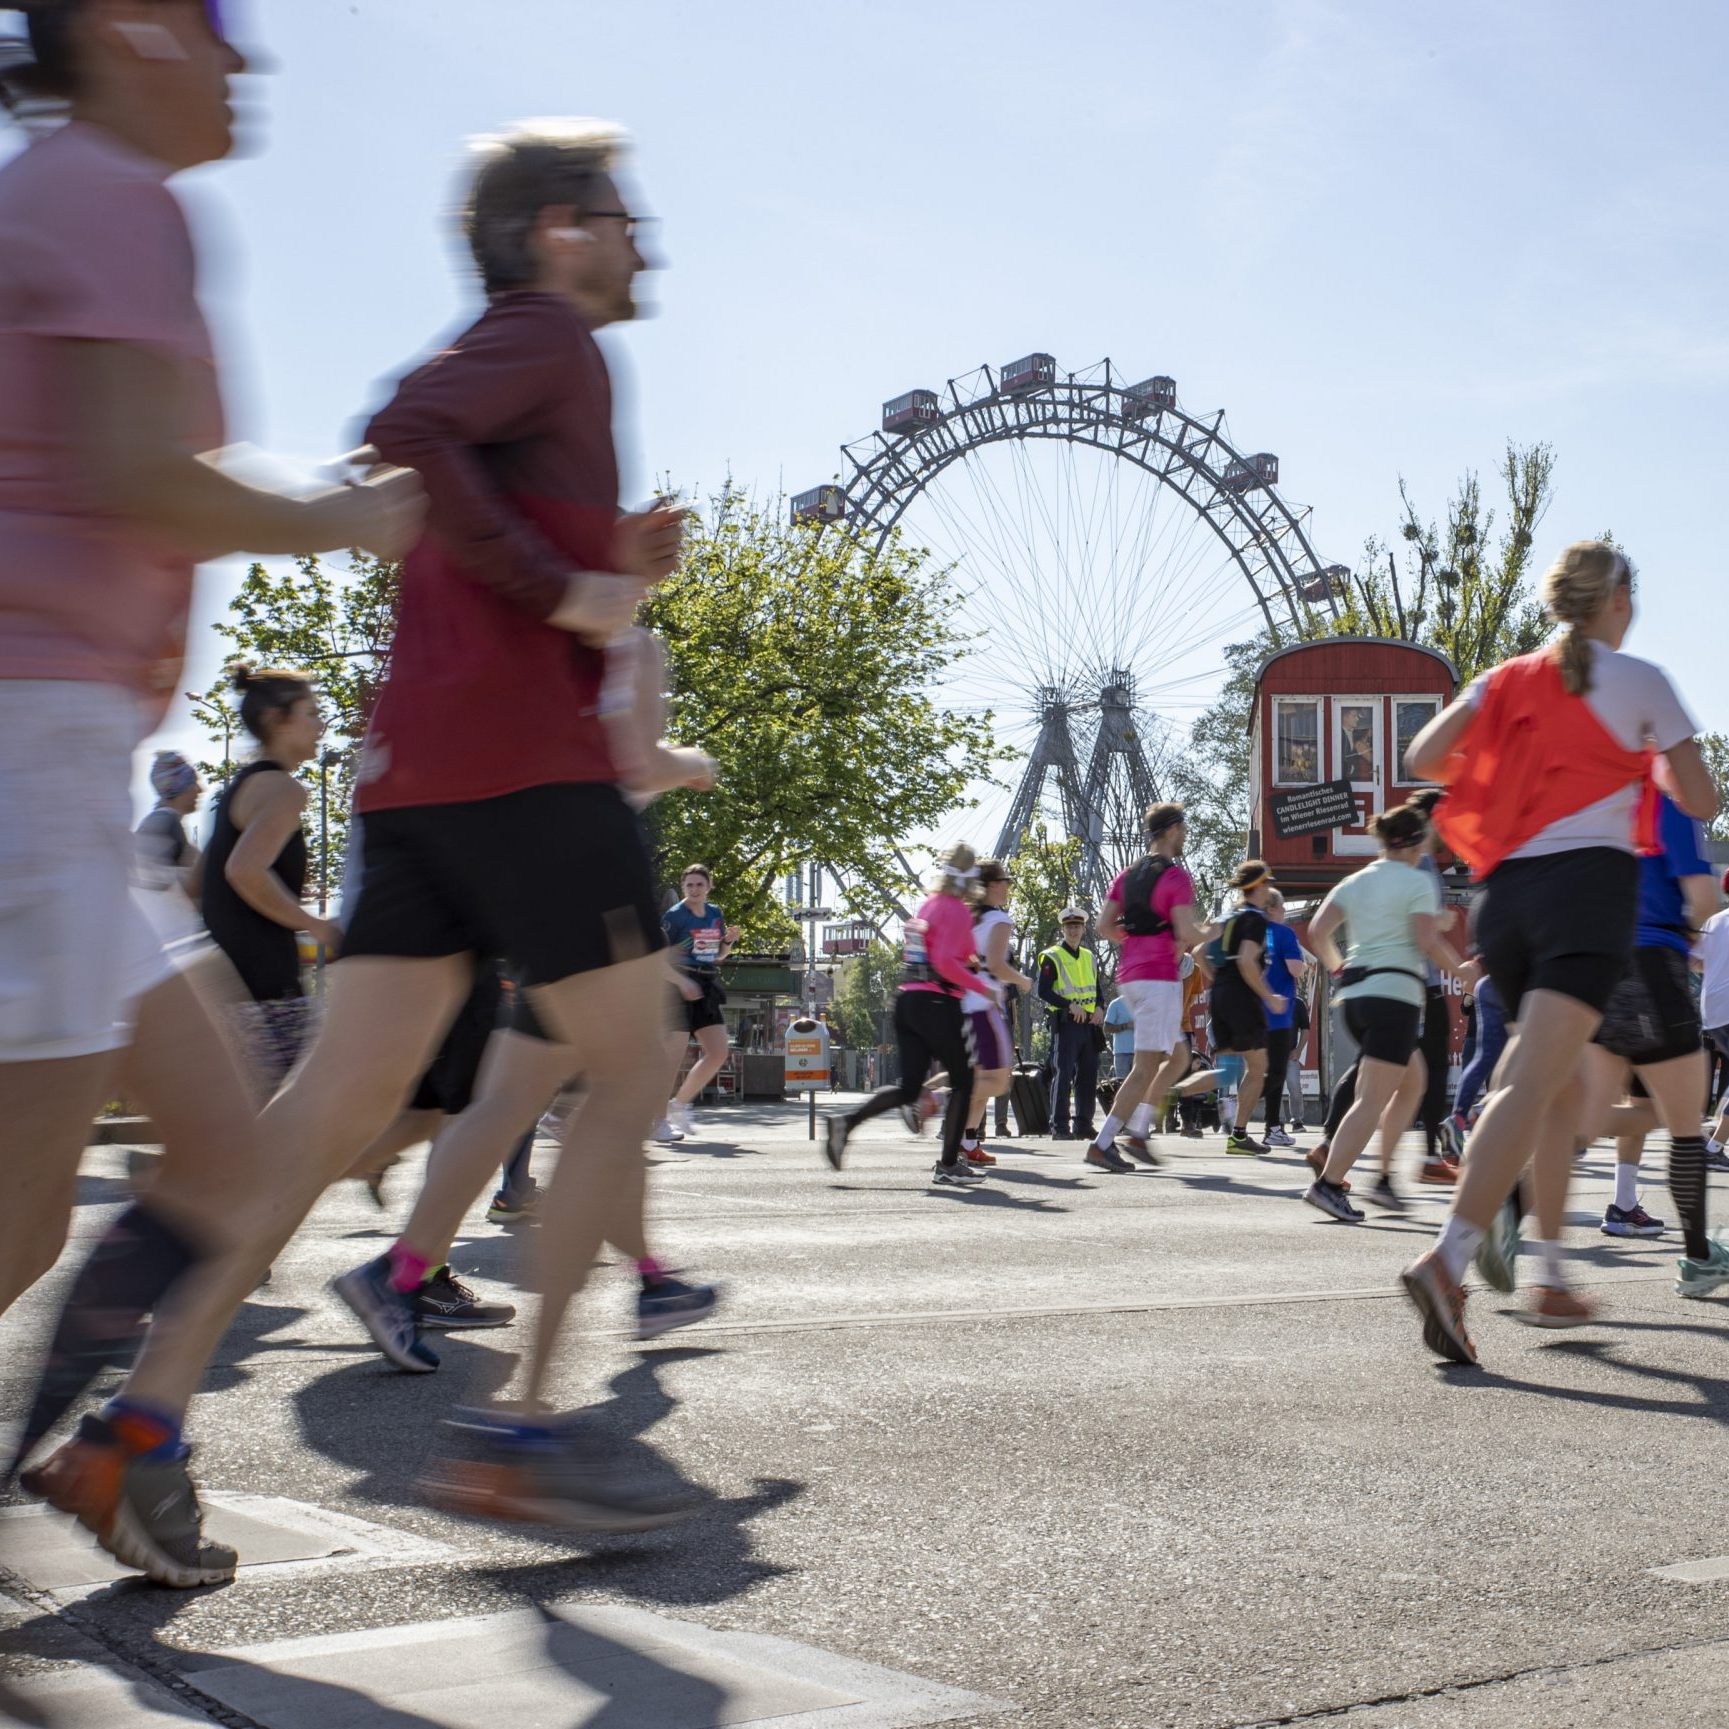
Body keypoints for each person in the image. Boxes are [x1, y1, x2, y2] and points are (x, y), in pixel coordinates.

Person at [24, 116, 696, 1557]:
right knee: (639, 1064)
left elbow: (442, 470)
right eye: (621, 213)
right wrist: (559, 593)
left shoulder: (536, 358)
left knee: (324, 1116)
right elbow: (406, 426)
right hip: (530, 772)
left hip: (414, 785)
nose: (645, 238)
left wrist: (600, 568)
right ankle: (522, 1428)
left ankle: (139, 1428)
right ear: (559, 230)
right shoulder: (553, 337)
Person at [1, 0, 418, 1585]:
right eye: (216, 27)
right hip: (25, 740)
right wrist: (353, 508)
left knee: (225, 1158)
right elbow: (136, 470)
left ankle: (118, 1458)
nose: (248, 59)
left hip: (61, 762)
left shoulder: (84, 187)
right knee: (16, 1222)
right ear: (127, 30)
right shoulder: (108, 189)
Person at [1399, 541, 1716, 1363]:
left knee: (1555, 1082)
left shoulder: (1504, 678)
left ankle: (1547, 1273)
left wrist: (1516, 758)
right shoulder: (1640, 679)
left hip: (1505, 896)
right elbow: (1703, 797)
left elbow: (1422, 759)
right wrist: (1644, 756)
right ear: (1620, 599)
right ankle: (1448, 1258)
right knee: (1531, 1081)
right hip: (1588, 893)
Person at [1301, 803, 1474, 1221]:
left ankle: (1382, 1178)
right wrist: (1463, 972)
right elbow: (1425, 940)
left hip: (1357, 997)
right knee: (1370, 1100)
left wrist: (1338, 965)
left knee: (1412, 1082)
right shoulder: (1416, 882)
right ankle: (1328, 1184)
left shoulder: (1355, 881)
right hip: (1394, 996)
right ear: (1417, 842)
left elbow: (1318, 931)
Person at [1575, 791, 1719, 1253]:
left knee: (1602, 1111)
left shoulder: (1591, 806)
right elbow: (1704, 899)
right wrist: (1693, 934)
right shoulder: (1671, 805)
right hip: (1652, 965)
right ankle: (1699, 1257)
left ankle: (1508, 1216)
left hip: (1597, 966)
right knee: (1684, 1121)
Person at [200, 664, 341, 1091]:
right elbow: (243, 870)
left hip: (225, 993)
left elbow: (195, 884)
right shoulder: (284, 789)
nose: (321, 724)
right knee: (303, 1126)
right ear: (274, 721)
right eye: (311, 713)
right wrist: (315, 924)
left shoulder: (235, 792)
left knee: (245, 1135)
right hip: (268, 995)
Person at [825, 846, 983, 1185]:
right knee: (964, 1081)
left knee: (911, 1088)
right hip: (938, 1002)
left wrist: (965, 959)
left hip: (907, 999)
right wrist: (985, 987)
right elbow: (943, 963)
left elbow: (935, 951)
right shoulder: (957, 909)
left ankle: (846, 1123)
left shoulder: (930, 903)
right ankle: (949, 1164)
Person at [1091, 801, 1203, 1172]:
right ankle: (1104, 1142)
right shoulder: (1175, 877)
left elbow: (1104, 927)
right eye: (1183, 828)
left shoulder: (1126, 875)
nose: (1185, 834)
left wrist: (1134, 941)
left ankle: (1139, 1132)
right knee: (1145, 1067)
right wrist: (1215, 931)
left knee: (1180, 1056)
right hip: (1158, 978)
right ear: (1171, 829)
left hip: (1132, 977)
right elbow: (1188, 932)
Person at [1199, 862, 1287, 1155]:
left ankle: (1173, 1092)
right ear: (1259, 886)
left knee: (1228, 1067)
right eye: (1267, 884)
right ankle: (1238, 1135)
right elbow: (1247, 961)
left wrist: (1218, 980)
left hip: (1221, 994)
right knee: (1259, 1066)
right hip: (1242, 997)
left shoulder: (1226, 916)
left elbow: (1198, 952)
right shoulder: (1255, 919)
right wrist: (1269, 996)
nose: (1269, 889)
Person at [958, 858, 1032, 1165]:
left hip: (963, 1002)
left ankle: (967, 1141)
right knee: (998, 1081)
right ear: (991, 886)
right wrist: (1023, 979)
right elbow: (998, 966)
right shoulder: (999, 920)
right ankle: (936, 1104)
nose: (1007, 886)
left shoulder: (968, 918)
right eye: (1004, 881)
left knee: (983, 1079)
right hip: (983, 1004)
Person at [659, 863, 739, 1141]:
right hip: (676, 985)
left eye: (699, 884)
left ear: (709, 886)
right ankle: (656, 1121)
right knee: (672, 1058)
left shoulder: (715, 913)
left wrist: (728, 941)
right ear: (683, 887)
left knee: (718, 1052)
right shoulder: (675, 916)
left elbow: (717, 955)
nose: (694, 889)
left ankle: (679, 1105)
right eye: (689, 885)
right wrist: (682, 983)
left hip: (705, 983)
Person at [1037, 907, 1103, 1144]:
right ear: (1063, 929)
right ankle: (1060, 1126)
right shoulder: (1051, 956)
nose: (1073, 930)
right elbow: (1043, 991)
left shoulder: (1089, 956)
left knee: (1088, 1076)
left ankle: (1083, 1125)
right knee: (1063, 1074)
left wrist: (1100, 1008)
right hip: (1066, 1025)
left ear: (1084, 929)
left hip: (1089, 1025)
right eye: (1069, 927)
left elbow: (1097, 990)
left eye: (1077, 927)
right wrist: (1067, 1005)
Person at [1258, 889, 1309, 1150]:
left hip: (1253, 1011)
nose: (1285, 911)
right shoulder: (1284, 933)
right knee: (1276, 1071)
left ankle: (1245, 1123)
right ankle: (1272, 1127)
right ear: (1273, 909)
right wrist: (1301, 962)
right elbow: (1296, 968)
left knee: (1260, 1069)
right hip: (1278, 1011)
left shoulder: (1251, 933)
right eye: (1282, 907)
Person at [135, 748, 203, 896]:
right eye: (193, 782)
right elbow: (150, 882)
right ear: (179, 787)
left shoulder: (165, 821)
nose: (200, 789)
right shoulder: (165, 821)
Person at [1700, 874, 1729, 1163]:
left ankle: (1714, 1130)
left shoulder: (1714, 920)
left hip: (1712, 1011)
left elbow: (1695, 961)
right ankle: (1715, 1145)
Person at [1104, 992, 1135, 1083]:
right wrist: (1126, 1025)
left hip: (1142, 1053)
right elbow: (1106, 1028)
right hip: (1122, 1053)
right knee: (1121, 1085)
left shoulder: (1144, 1003)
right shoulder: (1116, 1004)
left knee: (1142, 1087)